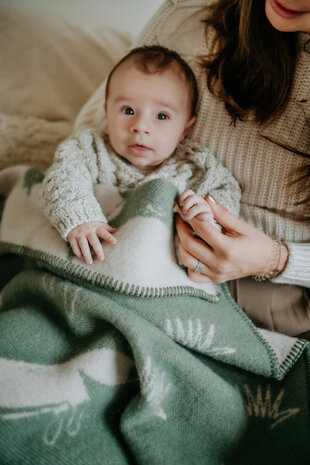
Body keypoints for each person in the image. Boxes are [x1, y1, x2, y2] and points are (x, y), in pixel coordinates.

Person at [73, 0, 310, 339]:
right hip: (140, 247)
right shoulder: (189, 13)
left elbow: (222, 196)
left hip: (283, 296)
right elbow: (91, 138)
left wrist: (277, 259)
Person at [40, 45, 240, 266]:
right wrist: (81, 218)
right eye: (128, 111)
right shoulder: (90, 149)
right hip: (92, 259)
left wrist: (207, 217)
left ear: (185, 128)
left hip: (150, 268)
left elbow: (226, 190)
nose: (140, 126)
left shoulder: (194, 166)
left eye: (162, 116)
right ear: (107, 111)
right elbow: (62, 176)